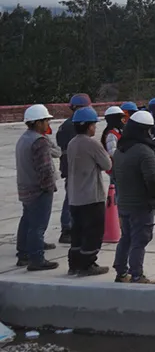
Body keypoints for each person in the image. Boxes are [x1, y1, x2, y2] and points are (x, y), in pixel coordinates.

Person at [113, 110, 155, 284]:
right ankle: (136, 274)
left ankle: (121, 272)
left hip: (124, 202)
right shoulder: (144, 151)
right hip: (141, 204)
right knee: (140, 240)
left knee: (125, 237)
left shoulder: (120, 150)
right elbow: (152, 179)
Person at [66, 107, 113, 277]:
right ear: (87, 126)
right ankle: (87, 264)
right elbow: (107, 164)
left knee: (77, 233)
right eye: (93, 125)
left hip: (74, 197)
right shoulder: (92, 144)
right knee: (93, 232)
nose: (95, 128)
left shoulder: (72, 143)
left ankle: (74, 264)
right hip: (91, 196)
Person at [16, 105, 59, 271]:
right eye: (46, 120)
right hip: (38, 189)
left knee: (27, 221)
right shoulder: (39, 141)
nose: (48, 124)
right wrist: (49, 188)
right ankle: (36, 259)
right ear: (38, 122)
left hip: (25, 187)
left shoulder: (24, 138)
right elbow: (45, 169)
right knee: (38, 226)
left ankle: (24, 254)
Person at [56, 93, 92, 244]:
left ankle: (71, 226)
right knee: (71, 197)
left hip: (69, 165)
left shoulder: (67, 124)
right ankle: (67, 229)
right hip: (73, 167)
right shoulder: (73, 126)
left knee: (72, 196)